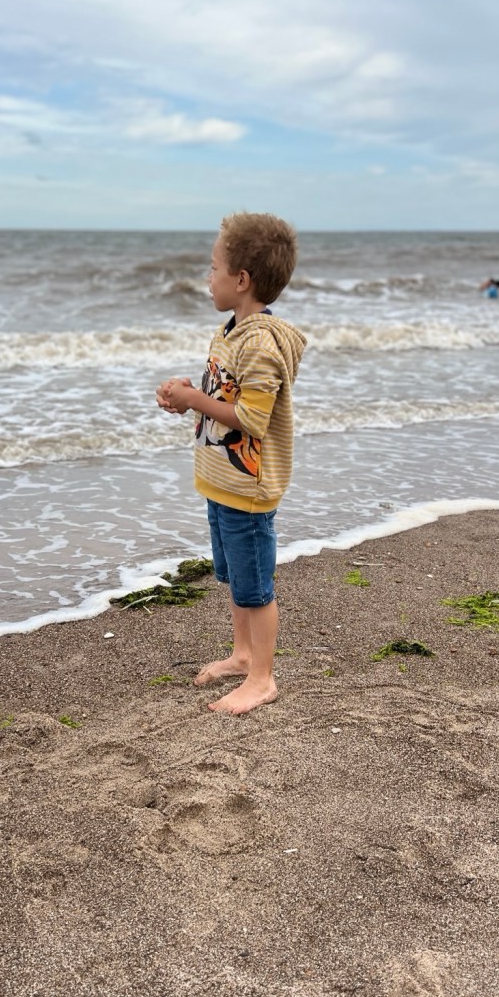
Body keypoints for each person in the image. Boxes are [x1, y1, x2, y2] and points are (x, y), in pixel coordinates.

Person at [157, 213, 306, 714]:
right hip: (222, 482)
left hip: (250, 488)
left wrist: (196, 400)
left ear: (241, 280)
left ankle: (262, 678)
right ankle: (243, 656)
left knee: (256, 587)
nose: (208, 276)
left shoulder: (261, 344)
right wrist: (186, 398)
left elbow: (251, 420)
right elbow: (222, 396)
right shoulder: (230, 331)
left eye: (213, 267)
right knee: (236, 579)